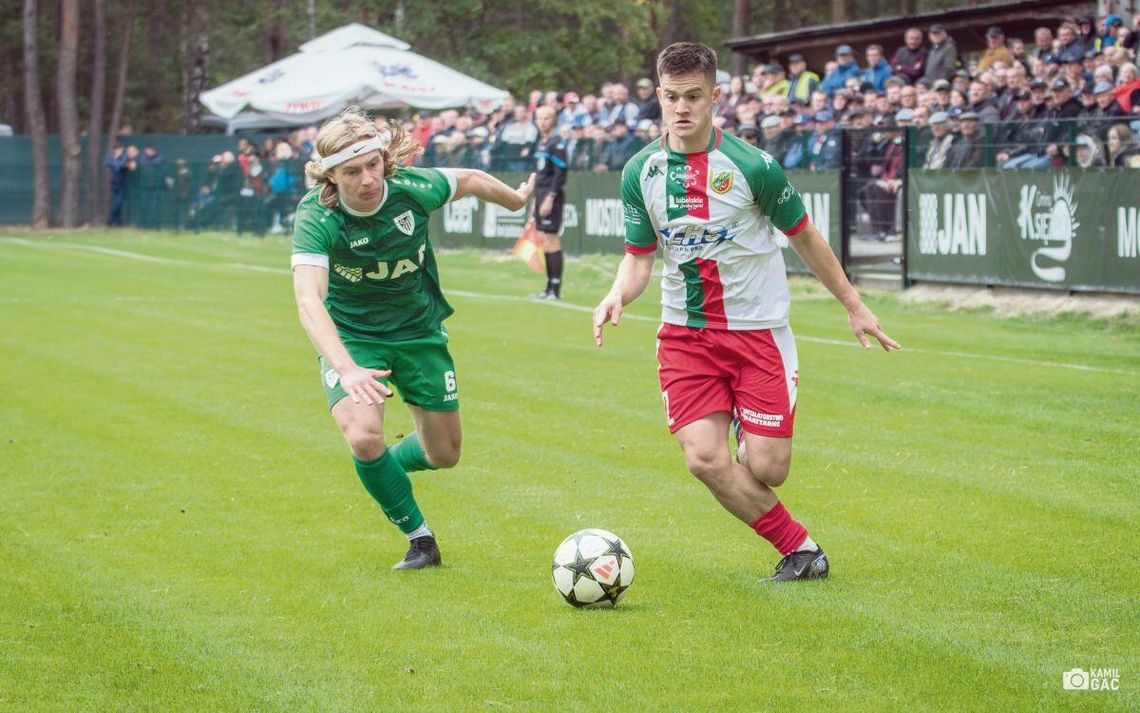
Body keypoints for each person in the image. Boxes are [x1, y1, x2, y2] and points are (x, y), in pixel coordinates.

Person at [592, 42, 898, 583]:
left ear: (715, 97)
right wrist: (618, 293)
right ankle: (801, 551)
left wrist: (854, 305)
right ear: (658, 96)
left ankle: (745, 425)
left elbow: (805, 237)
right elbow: (639, 258)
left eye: (693, 96)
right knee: (704, 460)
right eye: (671, 97)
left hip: (758, 333)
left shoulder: (754, 166)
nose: (681, 107)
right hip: (685, 335)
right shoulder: (640, 170)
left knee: (767, 469)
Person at [291, 108, 534, 570]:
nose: (368, 179)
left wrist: (515, 202)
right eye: (352, 171)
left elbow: (470, 179)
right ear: (330, 175)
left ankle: (381, 469)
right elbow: (308, 300)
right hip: (355, 338)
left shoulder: (412, 188)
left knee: (444, 454)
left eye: (373, 165)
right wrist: (346, 367)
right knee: (364, 436)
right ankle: (420, 539)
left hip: (420, 331)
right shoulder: (318, 215)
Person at [531, 105, 569, 299]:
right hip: (539, 195)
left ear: (554, 121)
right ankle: (547, 287)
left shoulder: (557, 143)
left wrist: (550, 198)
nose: (542, 122)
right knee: (543, 240)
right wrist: (534, 201)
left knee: (552, 239)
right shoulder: (541, 143)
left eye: (546, 118)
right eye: (539, 118)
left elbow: (560, 174)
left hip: (550, 196)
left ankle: (555, 288)